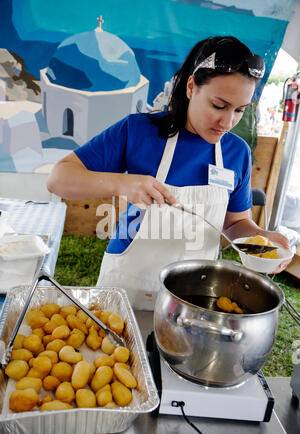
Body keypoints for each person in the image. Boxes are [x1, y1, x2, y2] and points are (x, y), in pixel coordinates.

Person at [47, 36, 290, 310]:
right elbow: (58, 179)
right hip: (129, 284)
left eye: (239, 111)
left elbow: (235, 224)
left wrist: (261, 242)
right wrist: (123, 183)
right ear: (191, 87)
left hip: (195, 295)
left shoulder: (237, 153)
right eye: (219, 106)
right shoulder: (139, 131)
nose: (227, 121)